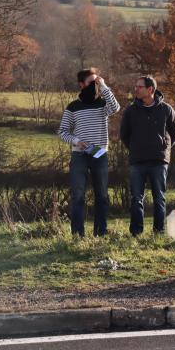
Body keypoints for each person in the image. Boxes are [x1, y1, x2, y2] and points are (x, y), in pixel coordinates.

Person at [57, 68, 120, 236]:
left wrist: (104, 86)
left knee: (102, 195)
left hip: (99, 153)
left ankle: (101, 232)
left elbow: (115, 108)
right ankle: (78, 235)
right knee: (78, 195)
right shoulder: (73, 106)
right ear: (81, 84)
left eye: (96, 81)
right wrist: (77, 141)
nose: (94, 85)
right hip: (79, 154)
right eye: (91, 82)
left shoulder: (102, 104)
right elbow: (62, 131)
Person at [119, 75, 175, 236]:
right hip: (137, 161)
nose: (136, 89)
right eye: (136, 86)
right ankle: (136, 233)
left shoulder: (166, 109)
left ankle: (158, 232)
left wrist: (164, 149)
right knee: (136, 198)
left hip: (159, 161)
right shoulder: (131, 111)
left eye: (139, 87)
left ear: (150, 90)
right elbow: (124, 134)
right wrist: (134, 148)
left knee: (159, 198)